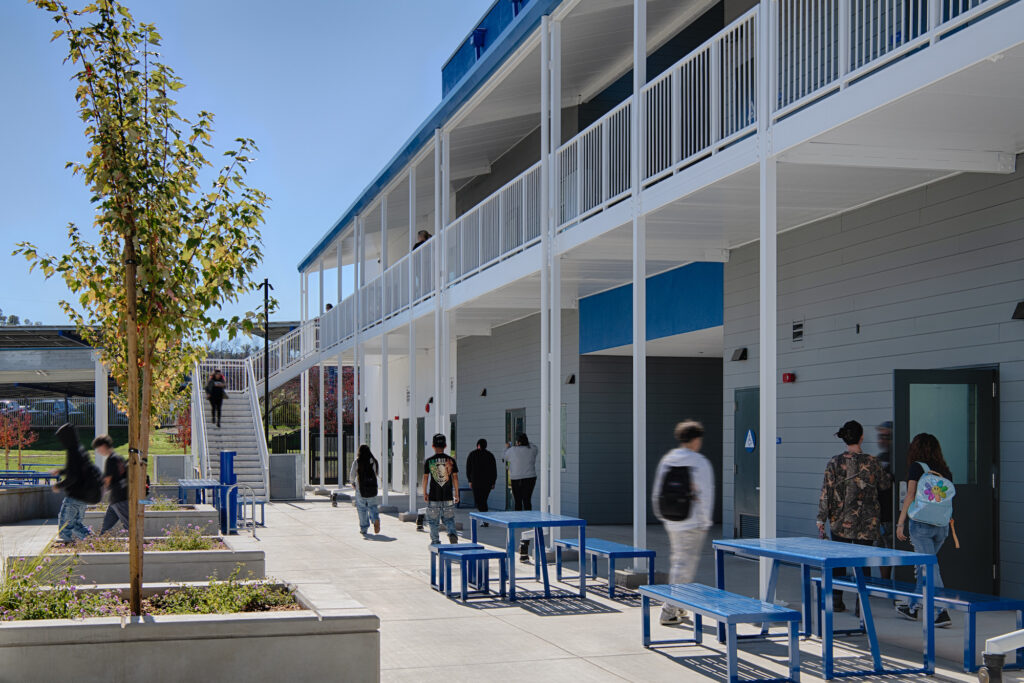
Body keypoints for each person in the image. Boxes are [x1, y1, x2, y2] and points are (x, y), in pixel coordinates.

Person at [816, 420, 892, 612]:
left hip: (840, 520)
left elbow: (827, 492)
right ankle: (861, 603)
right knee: (862, 562)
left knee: (840, 560)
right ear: (862, 437)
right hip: (867, 521)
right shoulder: (872, 462)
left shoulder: (834, 462)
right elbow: (884, 485)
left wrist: (821, 518)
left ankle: (837, 599)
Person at [651, 420, 715, 626]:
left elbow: (657, 491)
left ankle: (679, 605)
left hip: (672, 519)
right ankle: (668, 610)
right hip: (692, 521)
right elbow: (706, 493)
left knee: (678, 561)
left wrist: (662, 515)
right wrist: (705, 521)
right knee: (684, 566)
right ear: (696, 439)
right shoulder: (699, 461)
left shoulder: (669, 458)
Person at [895, 433, 956, 628]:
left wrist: (900, 522)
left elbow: (910, 496)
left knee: (930, 567)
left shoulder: (917, 467)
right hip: (942, 527)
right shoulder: (945, 471)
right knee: (925, 567)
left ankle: (941, 611)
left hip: (921, 525)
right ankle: (912, 607)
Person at [51, 423, 102, 544]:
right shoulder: (80, 450)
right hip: (83, 497)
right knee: (75, 525)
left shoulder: (73, 452)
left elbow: (73, 476)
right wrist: (62, 471)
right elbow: (77, 471)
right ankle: (96, 543)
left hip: (75, 496)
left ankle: (65, 547)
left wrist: (59, 485)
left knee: (65, 527)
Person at [504, 433, 539, 562]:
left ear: (517, 442)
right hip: (530, 477)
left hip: (516, 477)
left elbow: (504, 456)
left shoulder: (512, 450)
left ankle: (518, 518)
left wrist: (508, 446)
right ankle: (528, 517)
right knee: (527, 499)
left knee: (517, 500)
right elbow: (535, 448)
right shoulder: (532, 449)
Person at [422, 433, 459, 545]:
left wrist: (425, 492)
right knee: (449, 519)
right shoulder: (451, 460)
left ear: (433, 446)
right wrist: (456, 493)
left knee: (433, 522)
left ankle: (435, 541)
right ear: (445, 446)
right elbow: (455, 478)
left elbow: (425, 478)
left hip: (434, 496)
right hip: (447, 496)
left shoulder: (429, 461)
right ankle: (452, 534)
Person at [94, 434, 128, 534]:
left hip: (119, 498)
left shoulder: (110, 460)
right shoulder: (119, 458)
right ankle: (100, 543)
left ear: (103, 446)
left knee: (130, 525)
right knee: (106, 527)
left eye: (98, 448)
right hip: (117, 499)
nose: (98, 451)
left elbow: (107, 480)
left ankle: (139, 545)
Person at [875, 421, 895, 580]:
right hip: (880, 514)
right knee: (882, 550)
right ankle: (885, 583)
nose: (882, 440)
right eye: (880, 436)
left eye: (886, 437)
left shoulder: (900, 460)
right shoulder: (880, 459)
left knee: (894, 550)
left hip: (895, 514)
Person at [349, 444, 381, 535]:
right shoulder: (373, 461)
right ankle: (375, 519)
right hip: (372, 488)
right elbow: (375, 473)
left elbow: (352, 475)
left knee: (362, 508)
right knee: (373, 506)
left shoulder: (357, 461)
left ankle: (364, 528)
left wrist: (352, 483)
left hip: (361, 488)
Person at [465, 438, 497, 525]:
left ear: (478, 445)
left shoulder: (472, 454)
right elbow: (494, 470)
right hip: (487, 482)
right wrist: (493, 482)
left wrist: (469, 480)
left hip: (476, 482)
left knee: (479, 501)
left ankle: (485, 518)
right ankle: (485, 518)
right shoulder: (490, 455)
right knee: (483, 499)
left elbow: (468, 468)